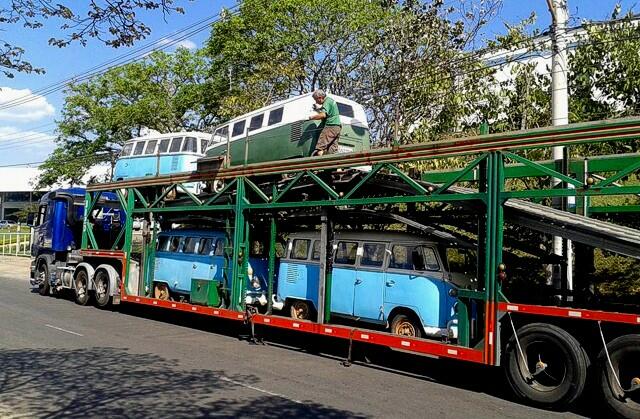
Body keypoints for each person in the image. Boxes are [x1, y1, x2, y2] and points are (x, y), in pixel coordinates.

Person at [308, 89, 342, 156]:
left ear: (320, 98)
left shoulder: (327, 102)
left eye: (316, 100)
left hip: (330, 127)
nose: (316, 102)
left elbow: (323, 115)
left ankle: (319, 164)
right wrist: (318, 109)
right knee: (332, 151)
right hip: (337, 128)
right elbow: (328, 112)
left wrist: (311, 117)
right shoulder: (331, 101)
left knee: (319, 148)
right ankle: (332, 165)